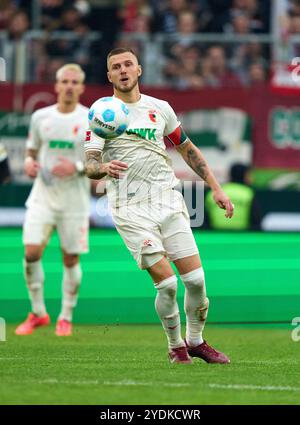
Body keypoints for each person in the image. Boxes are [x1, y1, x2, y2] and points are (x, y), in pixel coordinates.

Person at [84, 48, 234, 364]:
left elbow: (187, 149)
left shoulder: (159, 108)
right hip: (130, 207)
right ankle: (175, 346)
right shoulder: (102, 113)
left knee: (195, 282)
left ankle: (195, 341)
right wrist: (103, 169)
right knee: (166, 284)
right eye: (115, 67)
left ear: (138, 69)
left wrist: (216, 188)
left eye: (127, 64)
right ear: (109, 75)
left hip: (169, 201)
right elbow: (90, 163)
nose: (123, 70)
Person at [16, 64, 90, 337]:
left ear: (81, 87)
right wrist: (28, 163)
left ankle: (66, 316)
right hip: (42, 196)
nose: (69, 86)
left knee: (70, 259)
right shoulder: (40, 117)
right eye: (65, 81)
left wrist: (78, 168)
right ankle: (38, 313)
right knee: (31, 253)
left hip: (74, 200)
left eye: (75, 82)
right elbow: (32, 150)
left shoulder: (89, 119)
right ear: (56, 85)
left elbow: (99, 161)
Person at [205, 162, 262, 230]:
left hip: (214, 236)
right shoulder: (248, 193)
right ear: (244, 175)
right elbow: (256, 221)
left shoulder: (213, 193)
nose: (251, 178)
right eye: (249, 175)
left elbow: (204, 220)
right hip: (241, 237)